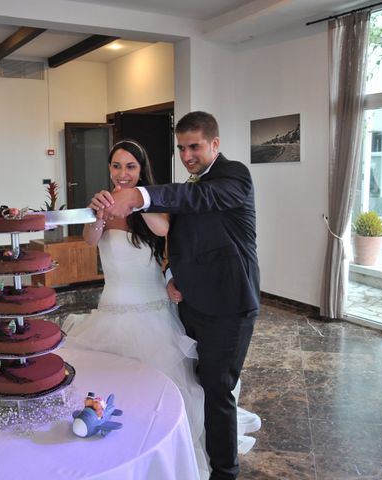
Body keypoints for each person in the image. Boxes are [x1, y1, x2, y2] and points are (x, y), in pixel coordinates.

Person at [63, 137, 260, 479]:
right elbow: (90, 239)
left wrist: (138, 200)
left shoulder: (155, 203)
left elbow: (165, 231)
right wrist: (99, 214)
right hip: (112, 305)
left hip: (151, 307)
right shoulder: (102, 203)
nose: (122, 173)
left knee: (158, 391)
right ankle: (116, 452)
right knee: (109, 386)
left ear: (141, 171)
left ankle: (157, 450)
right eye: (116, 166)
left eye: (130, 167)